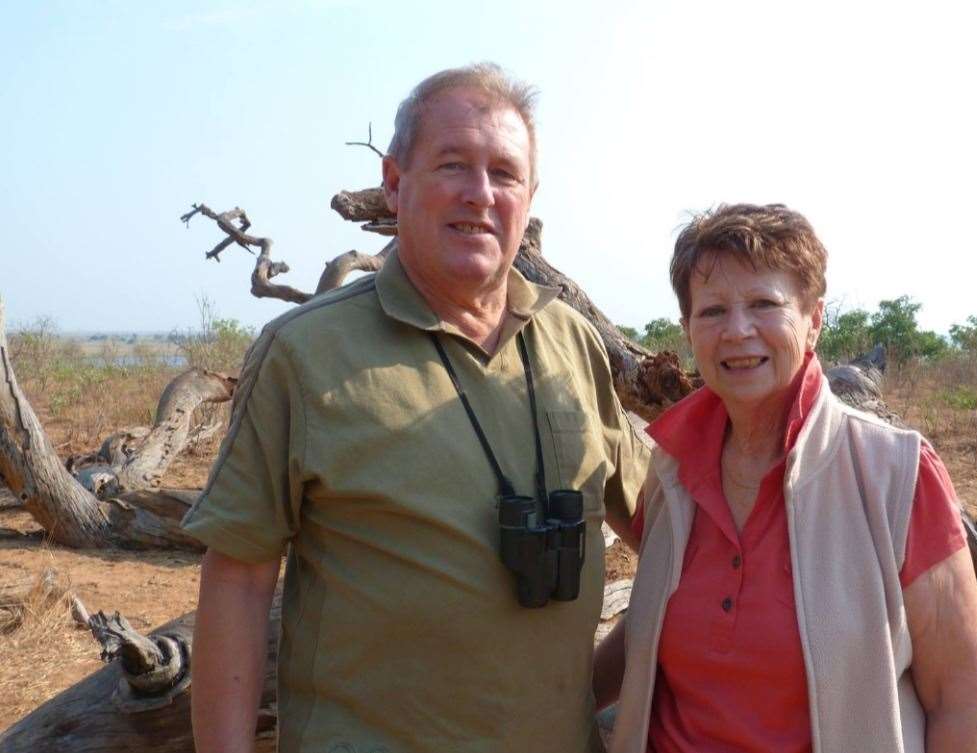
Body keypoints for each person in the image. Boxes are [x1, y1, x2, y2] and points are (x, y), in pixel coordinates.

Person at [183, 63, 648, 753]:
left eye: (505, 173)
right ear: (395, 185)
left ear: (531, 196)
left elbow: (671, 539)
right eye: (454, 164)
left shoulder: (572, 343)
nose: (481, 194)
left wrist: (592, 693)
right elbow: (240, 583)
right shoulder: (303, 352)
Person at [595, 204, 977, 753]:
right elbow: (652, 624)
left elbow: (958, 700)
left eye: (764, 304)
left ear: (814, 320)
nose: (737, 330)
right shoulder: (671, 472)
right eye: (712, 311)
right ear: (687, 331)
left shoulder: (895, 476)